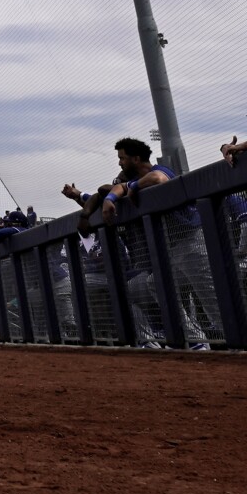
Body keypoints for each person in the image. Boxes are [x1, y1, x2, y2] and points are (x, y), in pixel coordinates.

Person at [69, 137, 216, 349]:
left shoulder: (159, 170)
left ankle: (238, 345)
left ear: (136, 158)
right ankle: (195, 340)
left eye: (122, 158)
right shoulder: (130, 183)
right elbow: (105, 190)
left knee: (213, 300)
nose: (119, 163)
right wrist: (97, 206)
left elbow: (158, 178)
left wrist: (132, 186)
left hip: (193, 241)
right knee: (154, 283)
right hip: (173, 251)